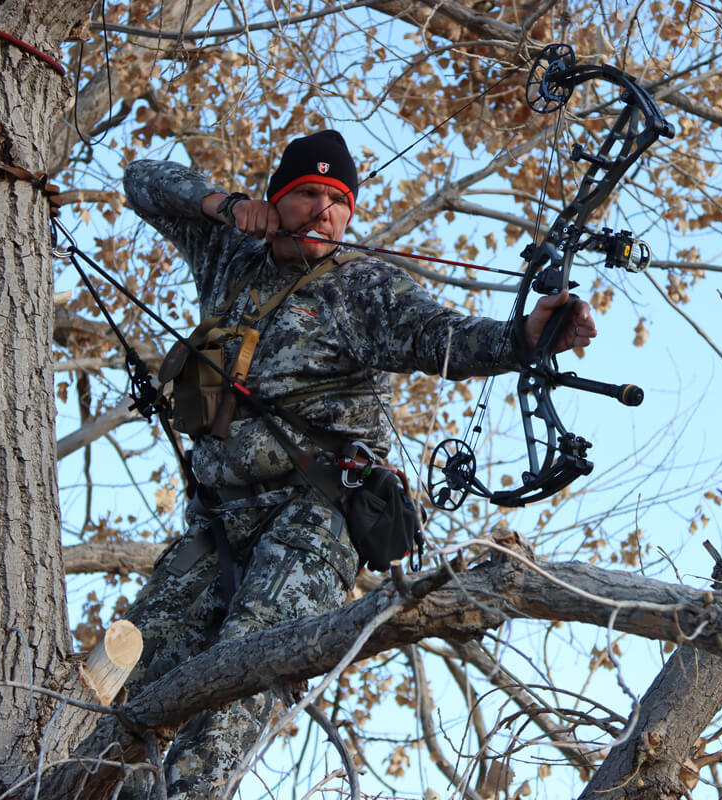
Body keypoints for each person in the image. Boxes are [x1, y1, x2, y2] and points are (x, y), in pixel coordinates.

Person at [118, 129, 596, 798]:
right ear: (276, 201)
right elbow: (141, 178)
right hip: (219, 518)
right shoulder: (230, 254)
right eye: (308, 194)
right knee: (121, 671)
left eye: (339, 200)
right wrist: (223, 205)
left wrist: (526, 337)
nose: (325, 211)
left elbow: (447, 338)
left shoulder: (364, 288)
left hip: (316, 515)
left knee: (247, 665)